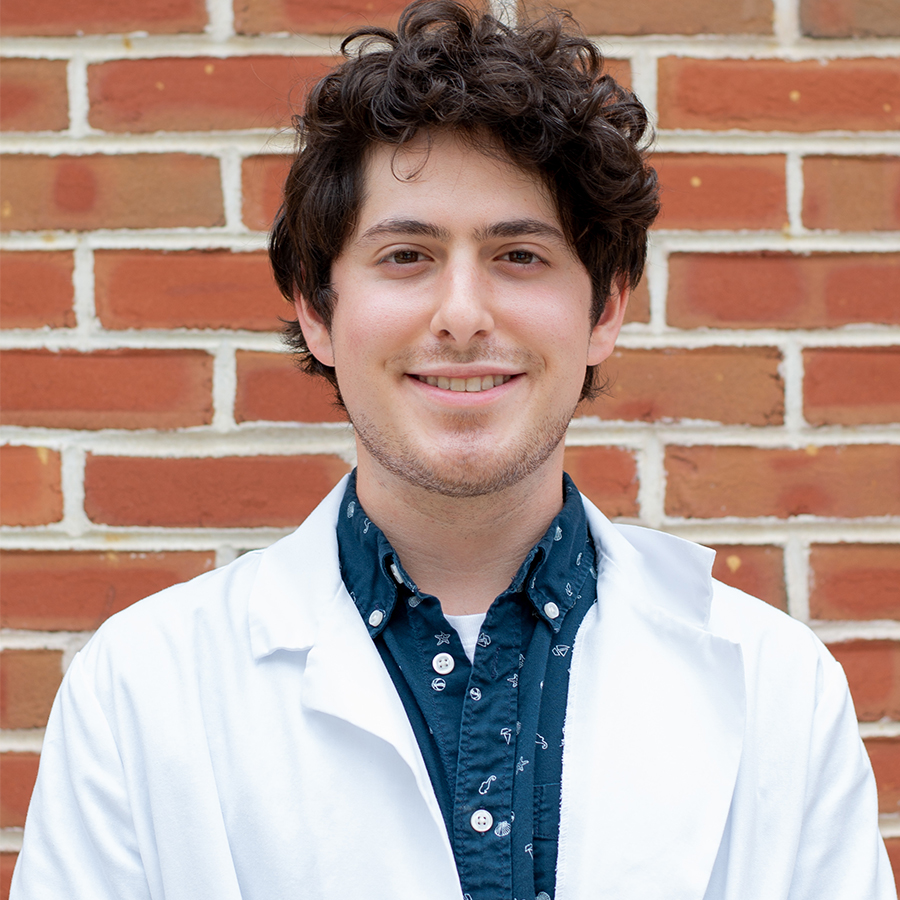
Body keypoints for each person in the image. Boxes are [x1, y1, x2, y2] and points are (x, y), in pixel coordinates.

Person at [12, 2, 893, 898]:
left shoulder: (778, 692)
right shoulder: (140, 692)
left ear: (606, 310)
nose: (463, 314)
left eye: (519, 255)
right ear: (319, 312)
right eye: (405, 256)